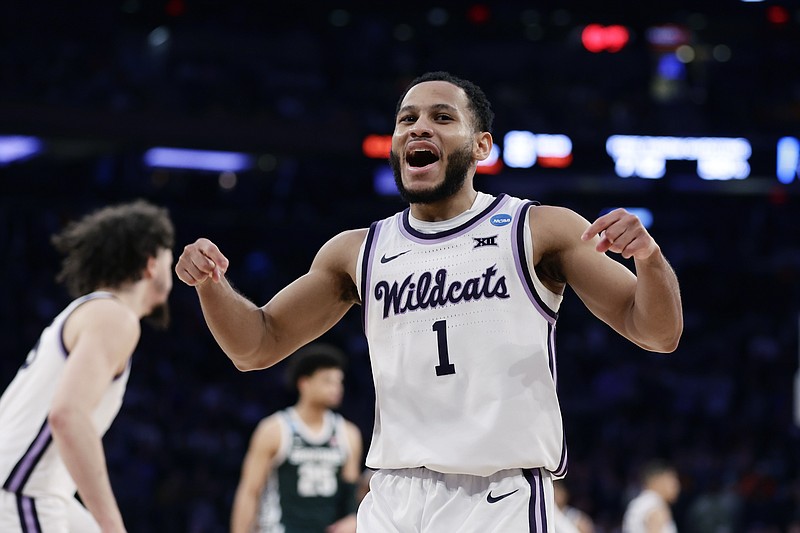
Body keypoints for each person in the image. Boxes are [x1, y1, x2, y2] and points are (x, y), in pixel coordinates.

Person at [175, 71, 683, 532]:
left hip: (497, 497)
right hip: (392, 495)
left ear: (481, 145)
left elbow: (657, 332)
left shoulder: (539, 228)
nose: (420, 127)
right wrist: (212, 286)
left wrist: (651, 259)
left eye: (442, 117)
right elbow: (255, 346)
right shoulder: (357, 251)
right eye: (407, 119)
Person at [0, 200, 175, 533]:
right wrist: (112, 525)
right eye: (170, 252)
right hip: (21, 494)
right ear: (152, 264)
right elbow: (67, 415)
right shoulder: (114, 317)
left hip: (27, 491)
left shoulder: (91, 312)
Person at [230, 343, 362, 533]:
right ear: (304, 383)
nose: (336, 388)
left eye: (339, 382)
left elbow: (350, 493)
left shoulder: (348, 433)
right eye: (327, 381)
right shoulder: (274, 430)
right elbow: (250, 491)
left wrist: (353, 518)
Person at [621, 460, 681, 533]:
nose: (677, 486)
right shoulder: (655, 505)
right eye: (672, 480)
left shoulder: (640, 502)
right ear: (658, 480)